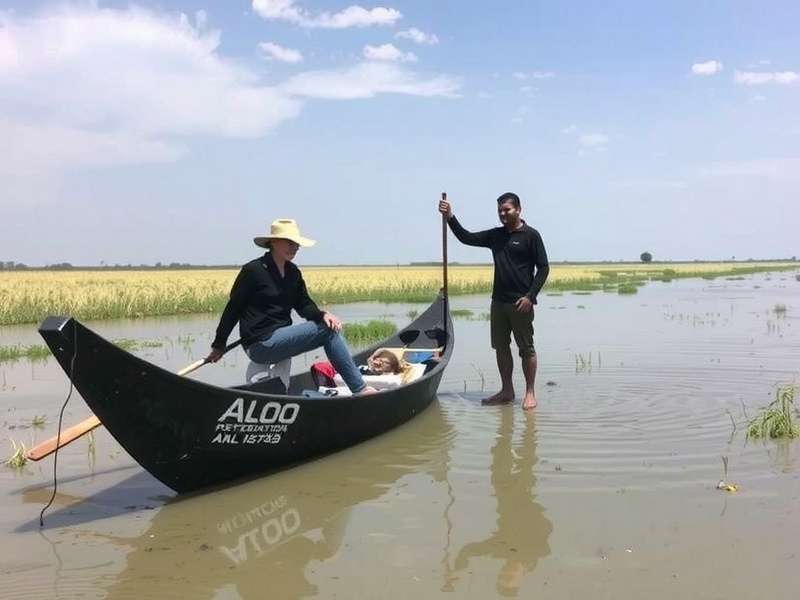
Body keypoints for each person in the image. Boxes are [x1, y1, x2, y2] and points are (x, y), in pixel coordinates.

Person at [207, 218, 376, 395]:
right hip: (259, 343)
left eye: (296, 243)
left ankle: (356, 384)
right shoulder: (254, 271)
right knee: (328, 331)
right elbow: (233, 309)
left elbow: (303, 305)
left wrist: (322, 315)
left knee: (329, 325)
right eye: (289, 242)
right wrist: (219, 345)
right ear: (272, 242)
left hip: (279, 339)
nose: (294, 247)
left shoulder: (293, 273)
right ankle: (360, 389)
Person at [438, 192, 549, 410]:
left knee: (526, 348)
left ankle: (529, 393)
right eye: (499, 210)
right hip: (498, 303)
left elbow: (544, 268)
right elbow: (465, 237)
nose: (502, 214)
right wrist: (450, 216)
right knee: (501, 347)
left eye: (506, 209)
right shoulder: (496, 236)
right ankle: (507, 390)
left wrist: (530, 296)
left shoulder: (531, 236)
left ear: (518, 209)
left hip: (521, 304)